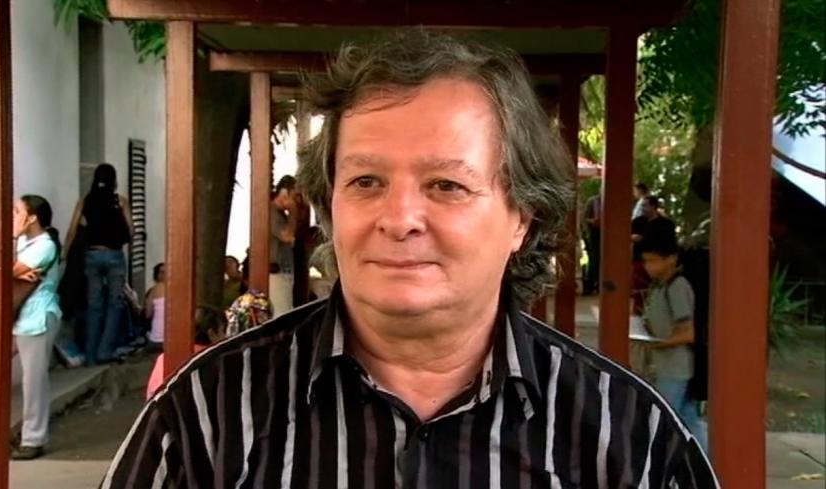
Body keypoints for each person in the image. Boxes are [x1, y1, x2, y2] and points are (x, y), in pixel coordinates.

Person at [102, 31, 717, 488]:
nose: (398, 219)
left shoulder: (630, 438)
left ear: (522, 218)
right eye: (366, 181)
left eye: (446, 185)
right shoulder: (204, 419)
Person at [641, 236, 709, 452]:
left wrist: (657, 344)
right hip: (668, 365)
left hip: (676, 367)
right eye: (646, 261)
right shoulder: (659, 287)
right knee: (689, 418)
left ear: (671, 259)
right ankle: (704, 461)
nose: (648, 266)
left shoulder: (677, 286)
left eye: (653, 260)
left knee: (664, 420)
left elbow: (689, 333)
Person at [64, 163, 133, 365]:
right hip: (114, 255)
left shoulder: (85, 201)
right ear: (114, 180)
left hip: (92, 256)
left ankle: (91, 355)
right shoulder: (120, 201)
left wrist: (65, 254)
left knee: (94, 305)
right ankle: (105, 350)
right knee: (115, 303)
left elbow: (72, 230)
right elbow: (131, 230)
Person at [11, 195, 63, 460]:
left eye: (17, 211)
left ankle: (33, 439)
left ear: (32, 218)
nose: (12, 215)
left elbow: (7, 269)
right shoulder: (24, 243)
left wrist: (14, 269)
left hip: (38, 318)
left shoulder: (44, 246)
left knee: (34, 382)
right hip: (19, 318)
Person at [145, 306, 227, 400]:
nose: (225, 336)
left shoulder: (164, 357)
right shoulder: (214, 359)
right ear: (211, 333)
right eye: (222, 330)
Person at [631, 196, 677, 316]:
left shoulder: (665, 224)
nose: (643, 208)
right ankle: (640, 311)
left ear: (653, 207)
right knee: (640, 289)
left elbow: (669, 243)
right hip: (640, 260)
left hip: (659, 260)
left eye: (645, 205)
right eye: (642, 205)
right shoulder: (637, 222)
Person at [269, 175, 298, 315]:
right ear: (284, 192)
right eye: (294, 196)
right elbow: (287, 236)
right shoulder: (271, 213)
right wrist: (293, 212)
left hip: (284, 271)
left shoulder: (281, 215)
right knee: (282, 313)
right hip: (276, 272)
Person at [125, 262, 166, 352]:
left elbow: (147, 315)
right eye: (162, 272)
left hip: (156, 340)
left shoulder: (153, 291)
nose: (164, 275)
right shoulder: (178, 289)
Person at [582, 193, 602, 295]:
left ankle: (599, 284)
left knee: (602, 259)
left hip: (606, 232)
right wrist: (592, 221)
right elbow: (585, 218)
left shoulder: (611, 202)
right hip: (593, 233)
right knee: (594, 258)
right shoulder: (592, 201)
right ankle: (589, 285)